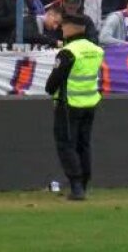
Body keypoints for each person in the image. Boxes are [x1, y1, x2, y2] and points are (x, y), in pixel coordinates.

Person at [43, 14, 102, 201]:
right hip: (90, 102)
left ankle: (76, 187)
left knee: (66, 144)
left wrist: (50, 89)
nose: (62, 29)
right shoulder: (96, 50)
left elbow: (53, 82)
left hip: (69, 104)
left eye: (64, 26)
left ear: (70, 28)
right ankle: (84, 184)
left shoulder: (68, 52)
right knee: (83, 145)